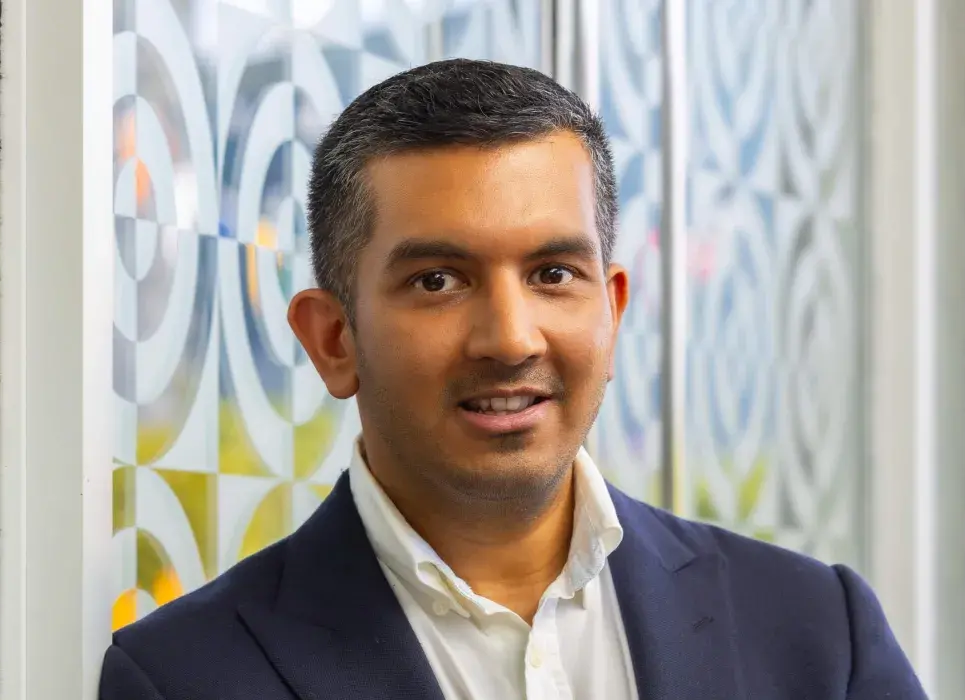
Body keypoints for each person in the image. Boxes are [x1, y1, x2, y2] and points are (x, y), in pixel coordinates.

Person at [98, 59, 923, 700]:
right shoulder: (185, 678)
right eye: (437, 282)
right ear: (334, 338)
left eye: (554, 273)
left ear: (613, 309)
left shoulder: (815, 632)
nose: (509, 338)